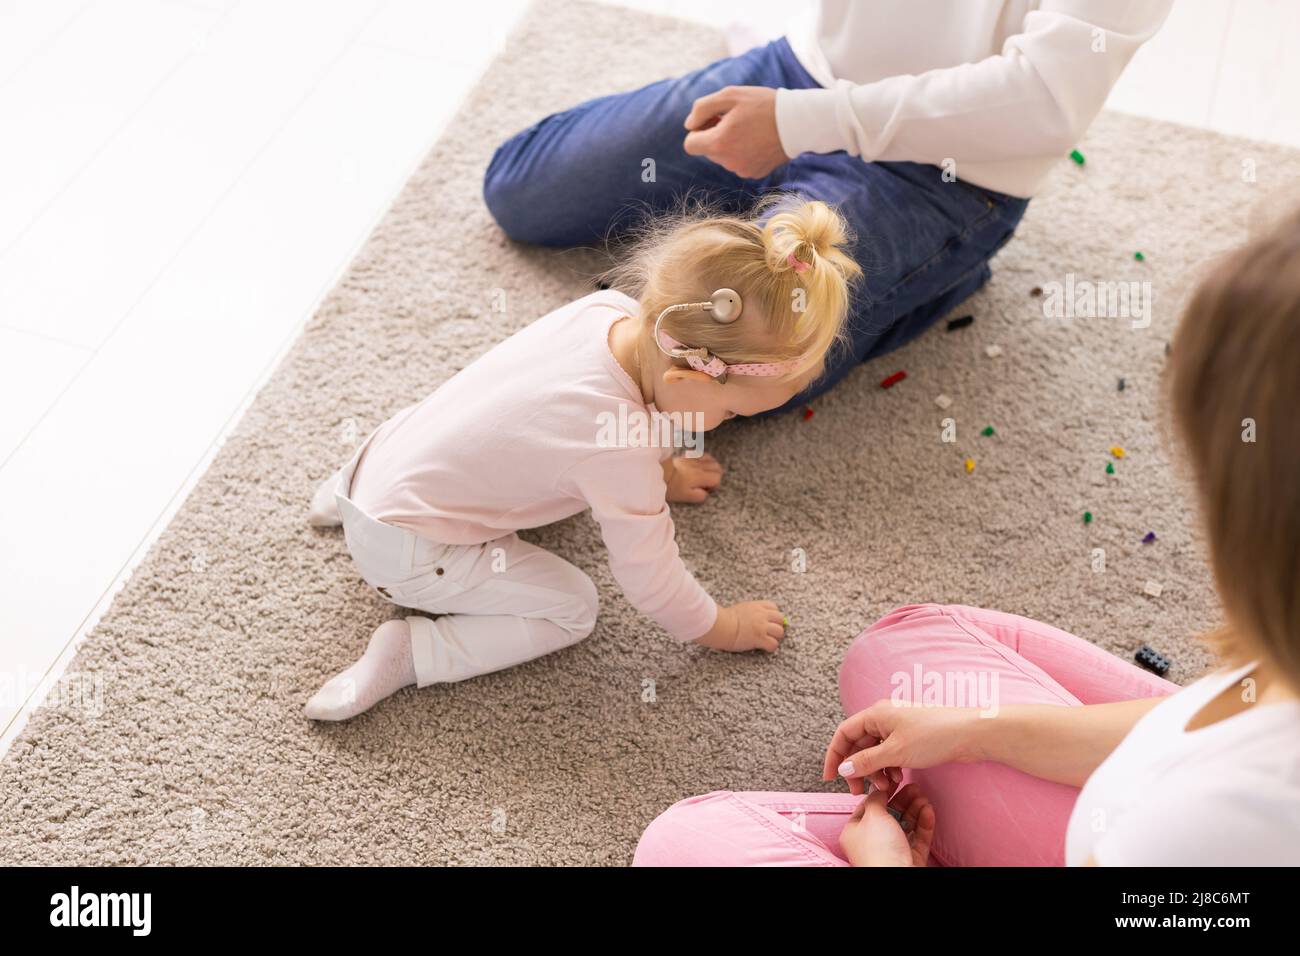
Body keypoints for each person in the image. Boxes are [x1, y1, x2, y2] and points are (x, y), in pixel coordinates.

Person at [634, 207, 1300, 866]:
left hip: (1154, 832)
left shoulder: (1221, 822)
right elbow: (1191, 728)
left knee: (683, 843)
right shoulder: (1267, 702)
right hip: (1163, 794)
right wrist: (973, 732)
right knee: (901, 648)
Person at [302, 199, 859, 720]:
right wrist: (722, 627)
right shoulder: (621, 449)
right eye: (733, 412)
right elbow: (652, 582)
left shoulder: (607, 312)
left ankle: (344, 500)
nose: (727, 425)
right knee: (572, 607)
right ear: (687, 376)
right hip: (405, 556)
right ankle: (415, 652)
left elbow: (632, 407)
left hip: (377, 462)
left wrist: (664, 473)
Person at [483, 0, 1172, 408]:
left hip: (944, 170)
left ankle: (947, 269)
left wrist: (801, 123)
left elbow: (1046, 101)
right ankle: (884, 263)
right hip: (799, 75)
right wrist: (794, 109)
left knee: (702, 373)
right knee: (520, 191)